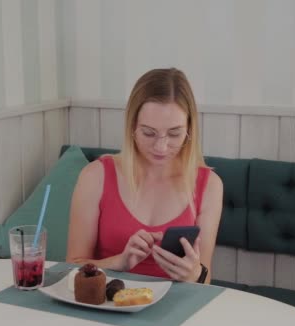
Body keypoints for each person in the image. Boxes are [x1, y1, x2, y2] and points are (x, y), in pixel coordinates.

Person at [66, 68, 223, 283]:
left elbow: (205, 281)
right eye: (149, 132)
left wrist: (193, 274)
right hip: (107, 307)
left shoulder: (209, 185)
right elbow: (71, 267)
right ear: (132, 126)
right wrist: (118, 263)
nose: (161, 146)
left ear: (189, 129)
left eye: (174, 133)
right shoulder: (95, 176)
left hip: (176, 311)